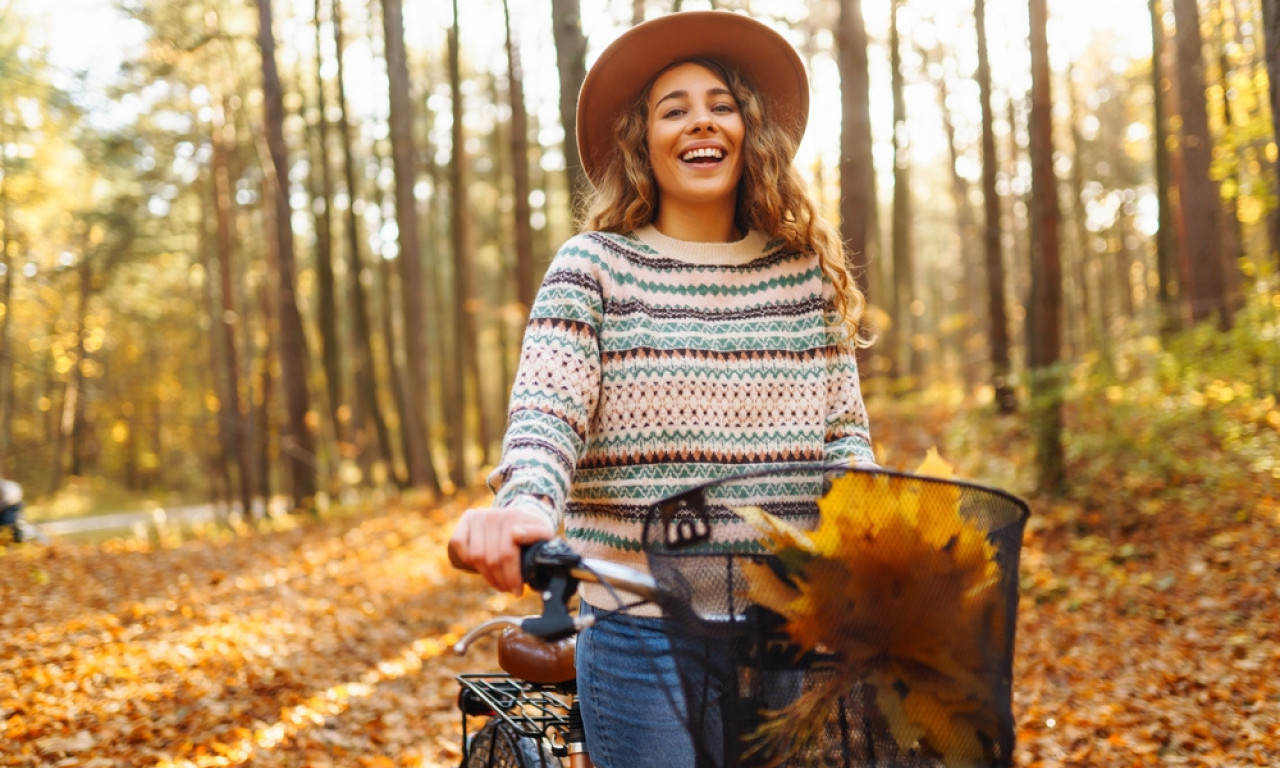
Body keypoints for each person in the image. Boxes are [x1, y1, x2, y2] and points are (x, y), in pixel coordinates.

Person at [448, 10, 875, 766]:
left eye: (720, 104)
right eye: (672, 110)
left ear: (750, 131)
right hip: (639, 627)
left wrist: (884, 524)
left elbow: (843, 438)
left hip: (791, 628)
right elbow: (549, 416)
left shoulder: (803, 278)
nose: (699, 123)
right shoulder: (594, 269)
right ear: (642, 143)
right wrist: (523, 505)